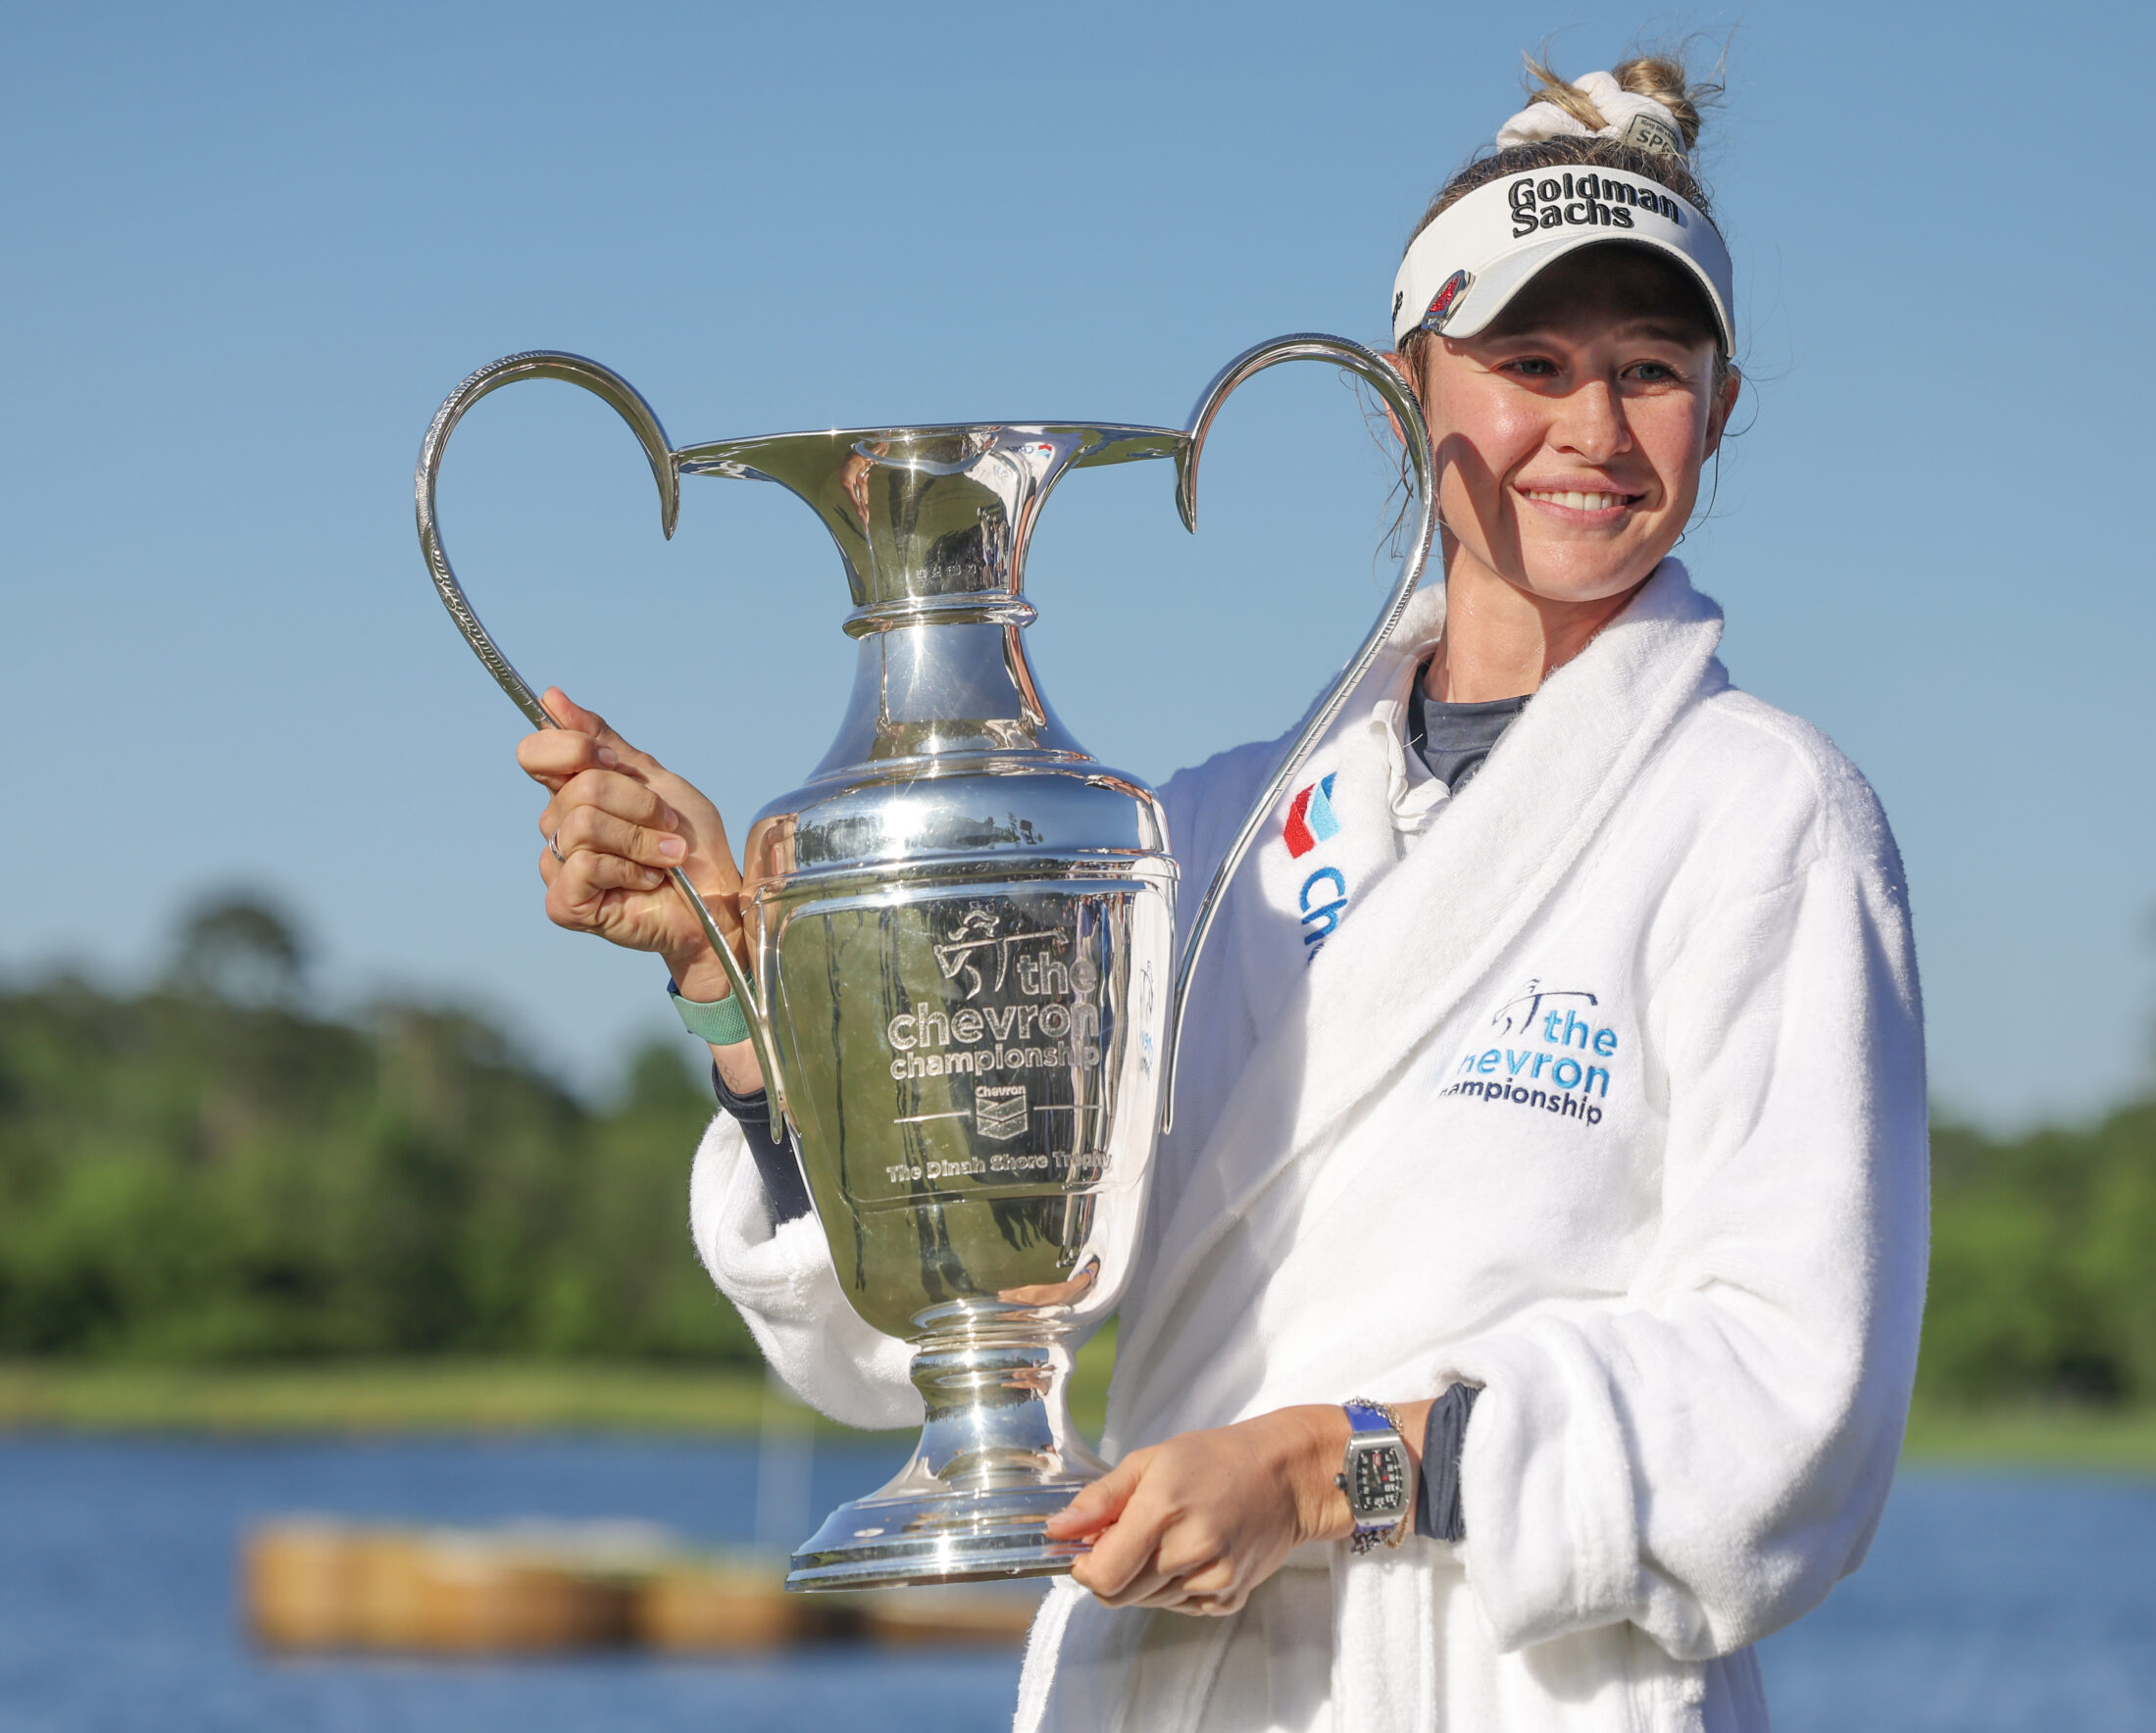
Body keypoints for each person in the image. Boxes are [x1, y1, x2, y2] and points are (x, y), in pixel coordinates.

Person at [518, 50, 1927, 1733]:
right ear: (1412, 394)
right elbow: (914, 1332)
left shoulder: (1763, 813)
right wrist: (747, 993)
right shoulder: (1209, 834)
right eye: (1531, 363)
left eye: (1652, 371)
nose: (1594, 432)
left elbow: (1792, 1411)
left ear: (1724, 404)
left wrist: (1331, 1473)